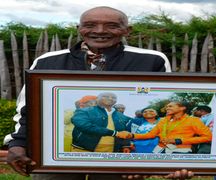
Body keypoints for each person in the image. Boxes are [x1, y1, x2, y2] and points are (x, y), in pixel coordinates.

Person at [4, 6, 192, 180]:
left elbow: (159, 104)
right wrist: (17, 144)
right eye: (90, 25)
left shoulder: (151, 60)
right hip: (59, 158)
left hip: (118, 160)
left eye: (112, 25)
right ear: (79, 28)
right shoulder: (49, 61)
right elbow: (29, 109)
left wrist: (167, 163)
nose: (100, 30)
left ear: (127, 30)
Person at [127, 101, 212, 154]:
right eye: (167, 106)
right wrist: (132, 136)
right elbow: (150, 134)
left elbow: (208, 137)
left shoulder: (194, 120)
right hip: (159, 150)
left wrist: (179, 140)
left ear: (182, 108)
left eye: (170, 106)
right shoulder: (163, 120)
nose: (167, 108)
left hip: (180, 152)